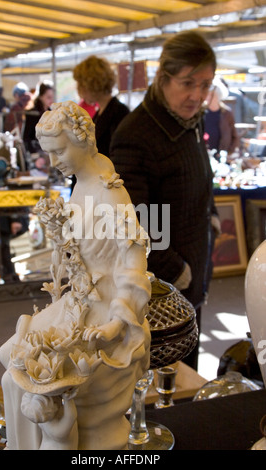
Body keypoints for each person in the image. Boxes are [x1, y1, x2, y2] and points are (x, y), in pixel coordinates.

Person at [0, 101, 151, 450]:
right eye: (48, 154)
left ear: (82, 141)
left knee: (17, 364)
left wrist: (117, 322)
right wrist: (59, 231)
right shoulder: (82, 181)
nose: (53, 163)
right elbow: (80, 251)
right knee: (9, 357)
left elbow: (134, 258)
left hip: (105, 307)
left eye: (59, 151)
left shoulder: (110, 193)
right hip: (80, 299)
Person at [110, 31, 220, 370]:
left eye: (205, 85)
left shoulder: (187, 122)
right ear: (163, 77)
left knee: (188, 369)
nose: (197, 96)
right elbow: (136, 222)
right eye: (188, 83)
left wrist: (212, 216)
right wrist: (177, 270)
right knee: (161, 383)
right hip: (159, 290)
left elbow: (203, 178)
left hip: (191, 274)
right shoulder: (136, 135)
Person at [73, 55, 130, 157]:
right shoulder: (101, 112)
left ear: (91, 85)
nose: (79, 90)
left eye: (81, 85)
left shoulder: (118, 113)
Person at [204, 76, 239, 156]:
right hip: (205, 154)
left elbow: (234, 136)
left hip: (221, 154)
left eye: (211, 95)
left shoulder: (226, 113)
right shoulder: (201, 112)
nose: (208, 98)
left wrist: (229, 152)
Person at [22, 80, 55, 153]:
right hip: (37, 151)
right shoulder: (32, 113)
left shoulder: (51, 112)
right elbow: (26, 137)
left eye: (52, 97)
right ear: (41, 96)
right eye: (48, 97)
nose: (51, 100)